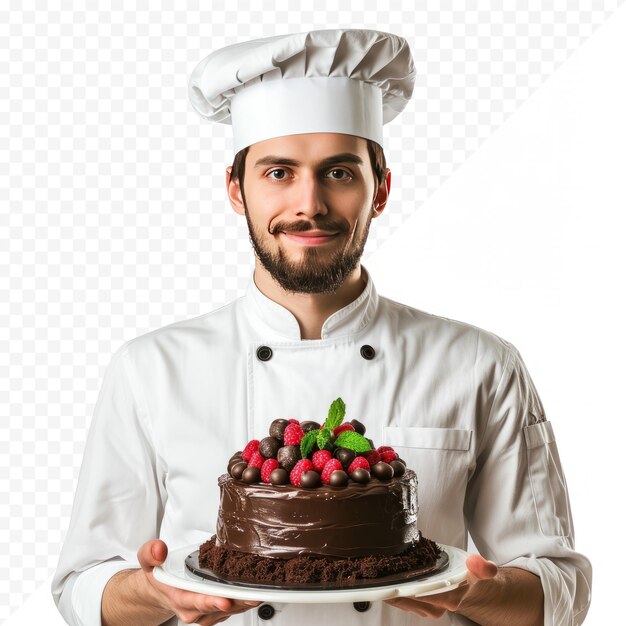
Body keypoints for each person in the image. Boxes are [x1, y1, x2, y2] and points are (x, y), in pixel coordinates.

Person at [52, 29, 592, 626]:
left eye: (338, 172)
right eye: (278, 173)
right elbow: (82, 585)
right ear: (236, 189)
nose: (309, 204)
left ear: (380, 189)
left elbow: (561, 587)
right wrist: (151, 593)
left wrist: (478, 594)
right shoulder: (150, 368)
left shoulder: (480, 364)